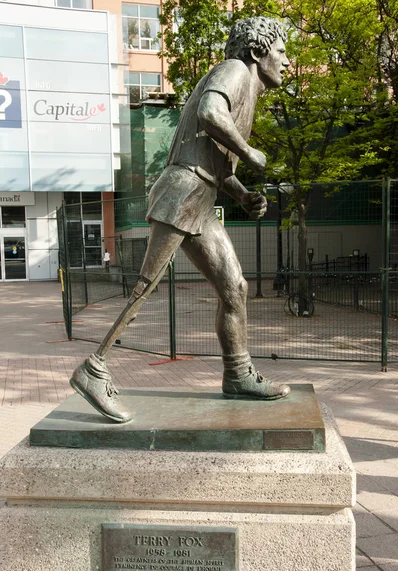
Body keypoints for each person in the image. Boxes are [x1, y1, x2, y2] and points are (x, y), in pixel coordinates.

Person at [70, 16, 291, 423]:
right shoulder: (235, 71)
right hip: (183, 190)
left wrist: (242, 195)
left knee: (235, 286)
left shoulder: (246, 92)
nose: (288, 61)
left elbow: (215, 164)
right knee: (145, 285)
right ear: (259, 52)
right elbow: (209, 112)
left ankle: (238, 375)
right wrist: (249, 152)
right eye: (281, 51)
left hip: (201, 197)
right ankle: (93, 369)